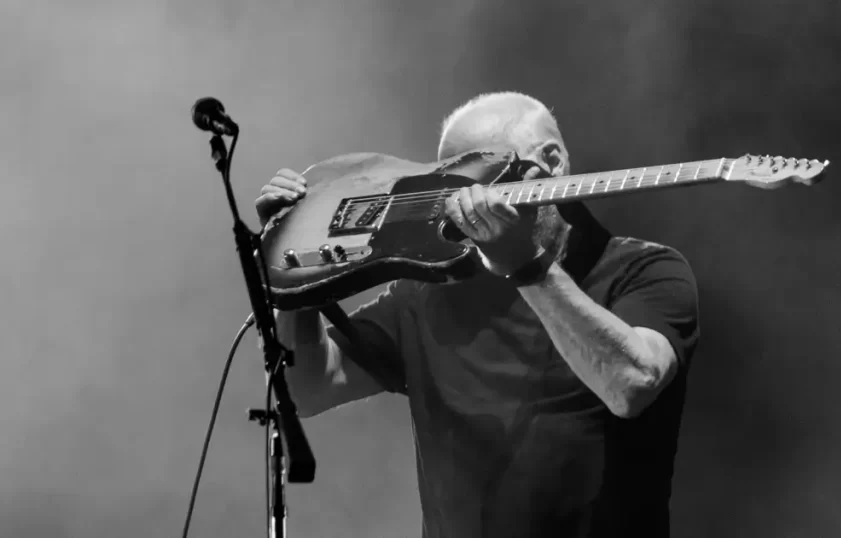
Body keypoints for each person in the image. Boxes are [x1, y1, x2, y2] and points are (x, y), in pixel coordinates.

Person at [255, 92, 700, 538]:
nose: (458, 202)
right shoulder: (427, 294)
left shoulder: (644, 269)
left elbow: (631, 384)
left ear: (551, 162)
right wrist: (295, 269)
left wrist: (526, 266)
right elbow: (307, 389)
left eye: (480, 176)